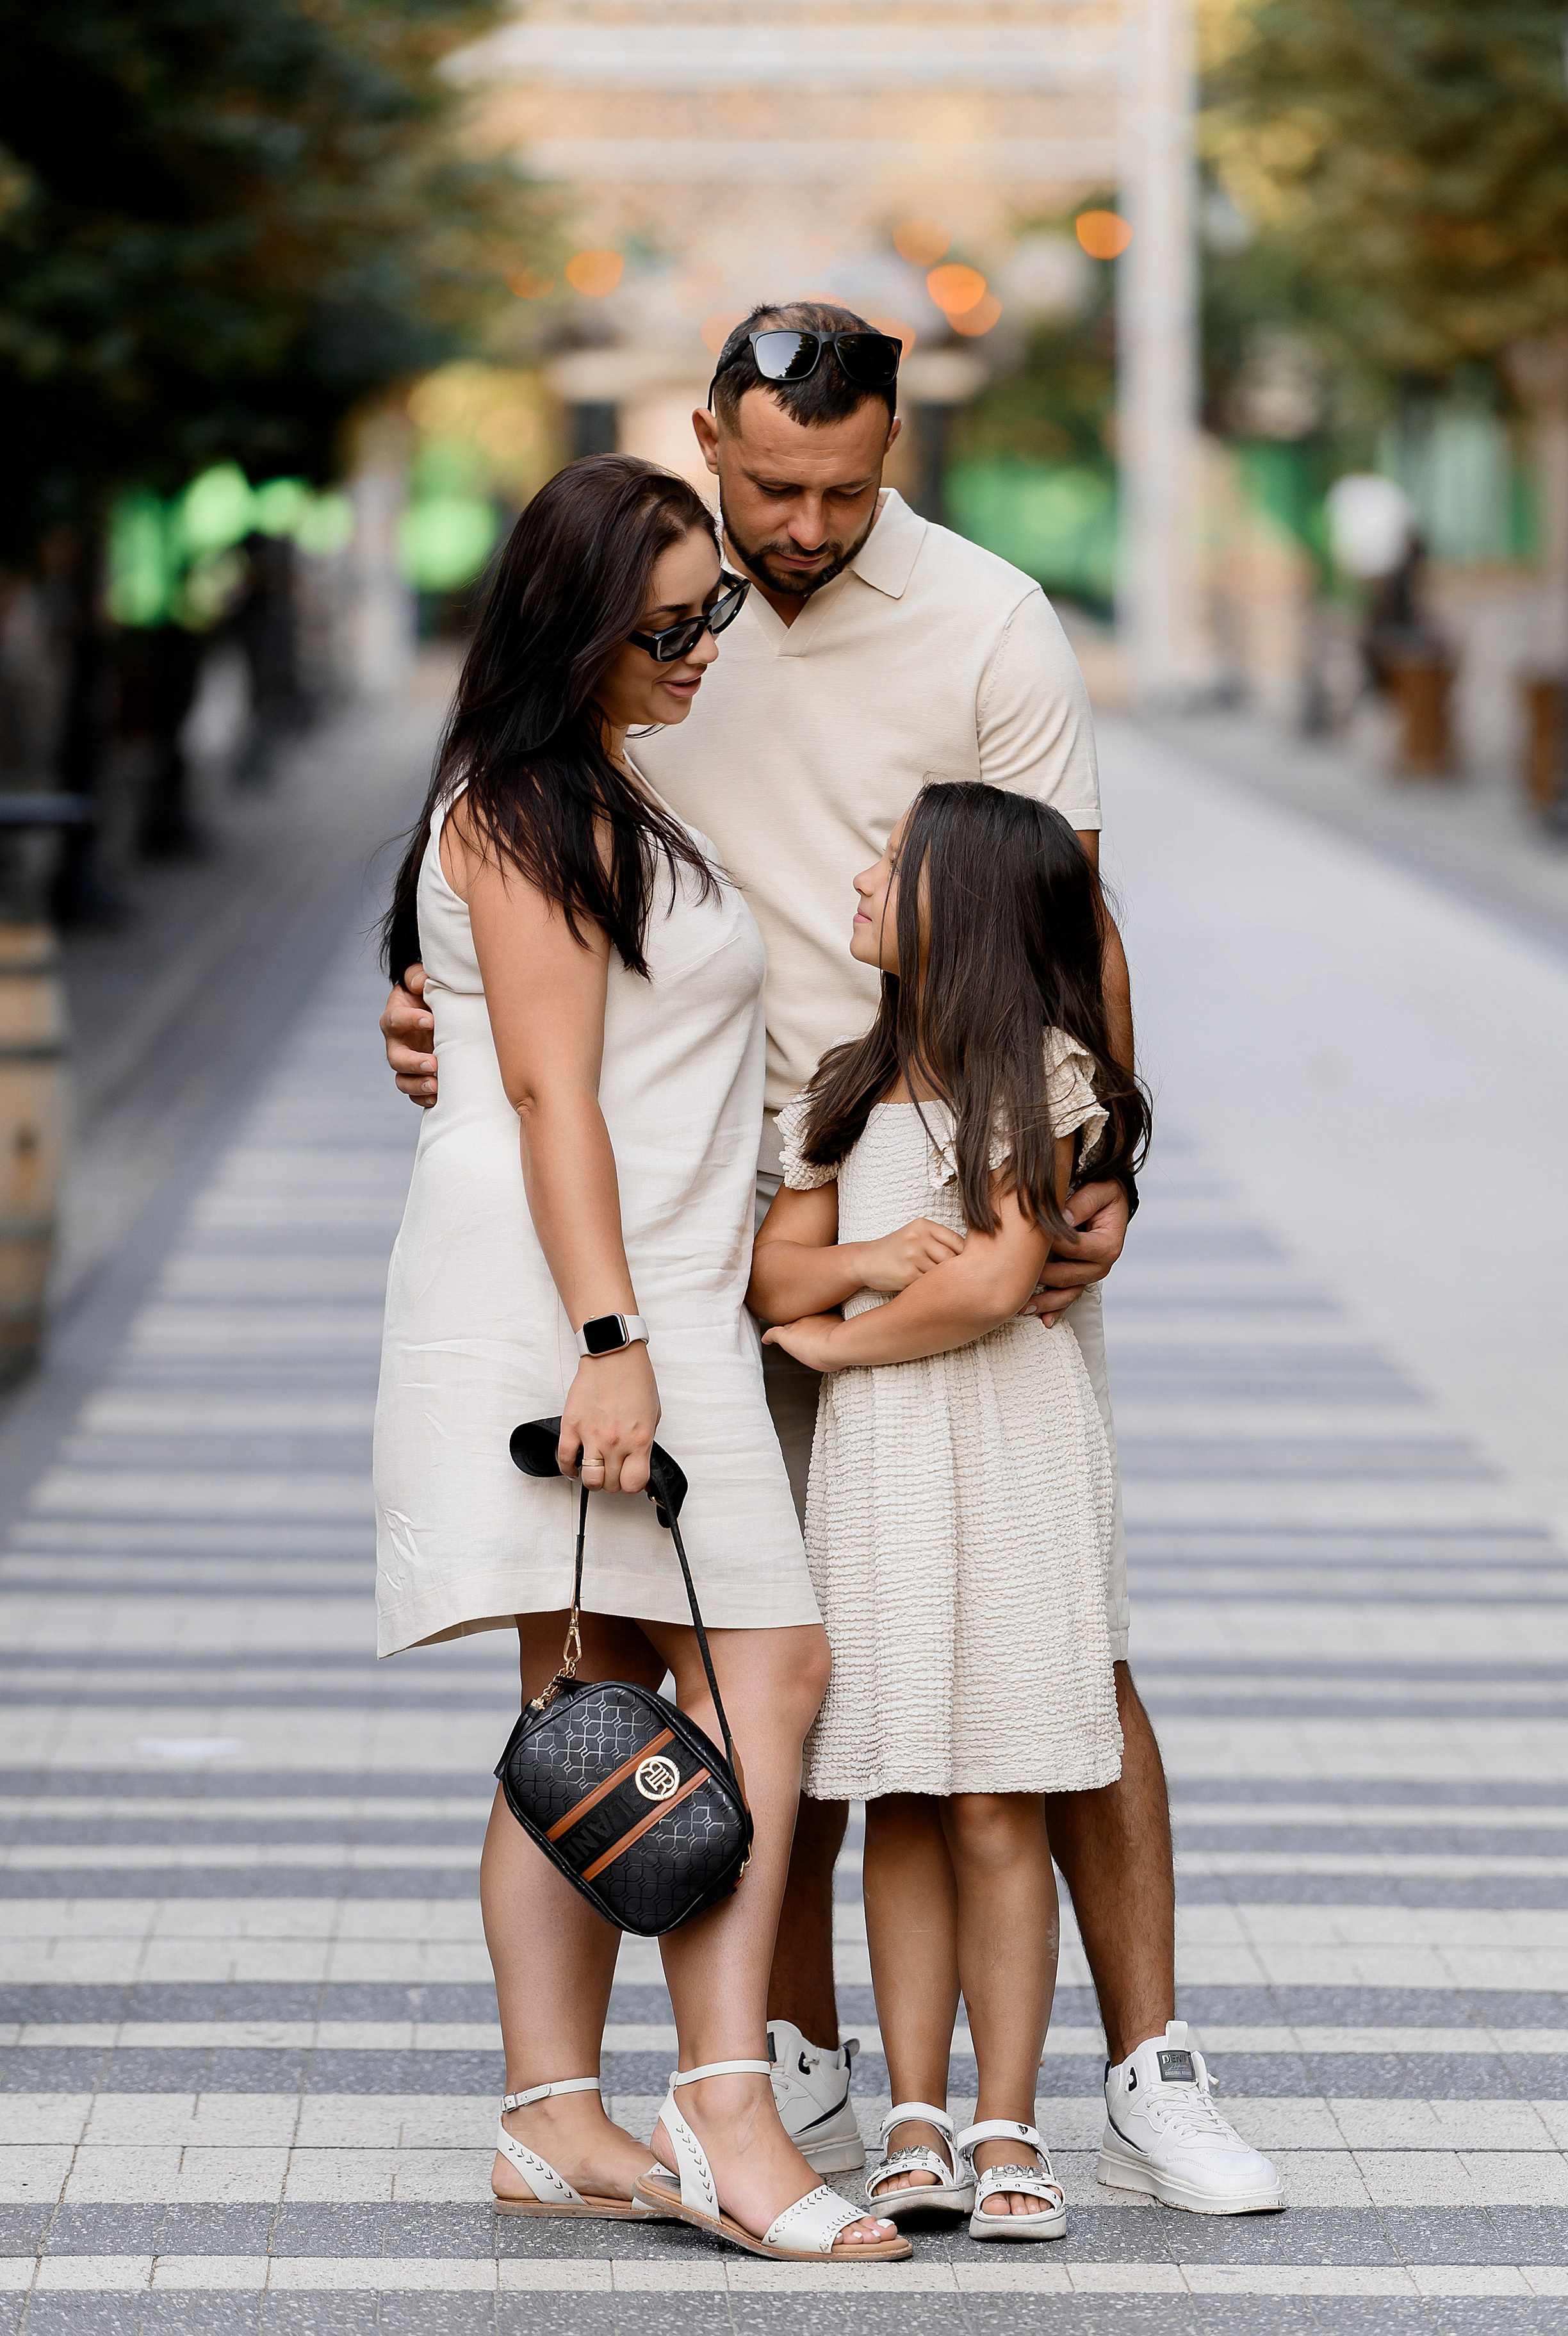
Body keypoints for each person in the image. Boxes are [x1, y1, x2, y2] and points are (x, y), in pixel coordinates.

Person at [382, 301, 1284, 2214]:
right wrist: (447, 1027)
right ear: (704, 435)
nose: (803, 525)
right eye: (771, 485)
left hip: (944, 1164)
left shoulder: (988, 618)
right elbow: (517, 928)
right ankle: (772, 2061)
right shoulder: (647, 620)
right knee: (702, 1664)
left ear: (898, 452)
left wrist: (1108, 1133)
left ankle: (1142, 2063)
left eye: (847, 487)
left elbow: (1075, 900)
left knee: (1053, 1634)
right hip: (708, 1222)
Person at [372, 453, 904, 2262]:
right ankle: (722, 2097)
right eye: (665, 623)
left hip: (637, 1282)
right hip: (587, 1298)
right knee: (774, 1657)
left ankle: (549, 2116)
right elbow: (546, 1091)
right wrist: (612, 1339)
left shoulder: (596, 792)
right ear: (576, 623)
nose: (697, 648)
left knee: (585, 1713)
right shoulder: (532, 807)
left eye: (713, 614)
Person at [750, 784, 1148, 2242]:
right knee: (901, 1784)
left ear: (959, 910)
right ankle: (908, 2113)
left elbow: (991, 1283)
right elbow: (771, 1274)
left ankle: (1004, 2116)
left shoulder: (1046, 1077)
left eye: (890, 863)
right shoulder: (843, 1084)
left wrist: (845, 1339)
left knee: (1001, 1789)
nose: (857, 878)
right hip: (885, 1473)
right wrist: (856, 1264)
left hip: (1011, 1453)